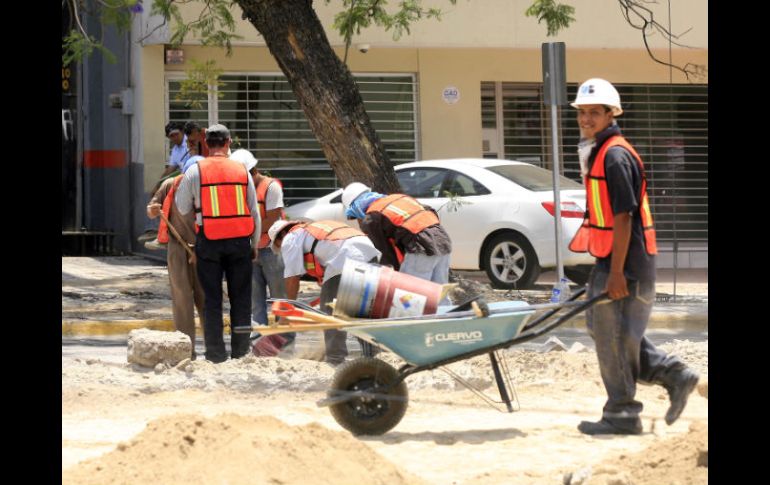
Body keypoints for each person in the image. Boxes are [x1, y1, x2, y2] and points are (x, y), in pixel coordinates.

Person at [568, 78, 699, 435]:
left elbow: (624, 215)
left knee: (614, 338)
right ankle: (673, 374)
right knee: (605, 331)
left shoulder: (614, 154)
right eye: (582, 112)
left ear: (611, 114)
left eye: (594, 112)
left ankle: (622, 414)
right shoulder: (602, 149)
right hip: (612, 259)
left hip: (625, 264)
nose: (586, 118)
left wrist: (616, 275)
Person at [175, 124, 261, 363]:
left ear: (206, 143)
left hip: (209, 241)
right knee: (241, 299)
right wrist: (254, 244)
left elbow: (182, 207)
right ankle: (242, 352)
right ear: (228, 142)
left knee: (211, 300)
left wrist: (200, 216)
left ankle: (215, 354)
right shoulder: (242, 170)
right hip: (240, 243)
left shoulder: (195, 170)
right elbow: (254, 212)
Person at [268, 219, 381, 365]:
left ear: (282, 234)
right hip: (370, 255)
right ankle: (372, 355)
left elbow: (292, 277)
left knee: (330, 311)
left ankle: (335, 360)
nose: (281, 249)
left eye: (278, 245)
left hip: (345, 259)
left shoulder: (290, 237)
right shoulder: (314, 228)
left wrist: (289, 307)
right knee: (359, 310)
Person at [229, 149, 294, 350]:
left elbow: (273, 217)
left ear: (253, 170)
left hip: (271, 251)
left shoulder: (270, 187)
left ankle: (286, 342)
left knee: (280, 298)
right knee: (255, 302)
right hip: (250, 251)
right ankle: (260, 344)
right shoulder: (239, 189)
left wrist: (249, 232)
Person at [145, 163, 205, 359]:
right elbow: (151, 209)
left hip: (204, 250)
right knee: (182, 299)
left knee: (206, 299)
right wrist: (153, 209)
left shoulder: (207, 186)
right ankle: (187, 350)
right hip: (178, 249)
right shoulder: (170, 184)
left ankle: (214, 348)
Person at [341, 183, 452, 285]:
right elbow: (429, 210)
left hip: (420, 247)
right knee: (439, 295)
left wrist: (392, 275)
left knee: (410, 295)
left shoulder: (371, 218)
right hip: (442, 240)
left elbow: (385, 254)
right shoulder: (398, 198)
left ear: (355, 207)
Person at [138, 121, 192, 243]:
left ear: (182, 132)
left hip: (191, 179)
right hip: (182, 179)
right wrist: (157, 185)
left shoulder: (189, 143)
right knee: (158, 196)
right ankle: (156, 229)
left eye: (176, 134)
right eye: (171, 136)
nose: (174, 138)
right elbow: (170, 169)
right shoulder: (176, 150)